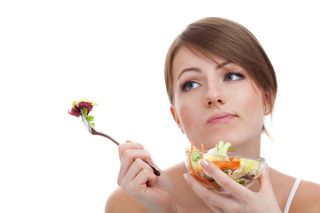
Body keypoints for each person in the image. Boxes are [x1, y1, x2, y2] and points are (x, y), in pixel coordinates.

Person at [105, 17, 320, 212]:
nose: (213, 95)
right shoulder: (134, 203)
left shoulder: (312, 203)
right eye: (191, 84)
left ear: (268, 98)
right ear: (176, 116)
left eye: (232, 76)